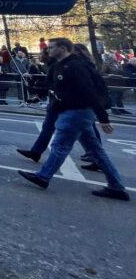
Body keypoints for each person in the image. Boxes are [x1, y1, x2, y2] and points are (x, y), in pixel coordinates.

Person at [17, 38, 129, 201]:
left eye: (52, 47)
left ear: (63, 48)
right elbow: (54, 87)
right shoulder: (60, 65)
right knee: (96, 150)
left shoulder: (75, 66)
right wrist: (33, 88)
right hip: (74, 111)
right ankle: (117, 187)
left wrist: (103, 117)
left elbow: (89, 91)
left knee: (60, 145)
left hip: (76, 111)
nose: (48, 50)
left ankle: (43, 176)